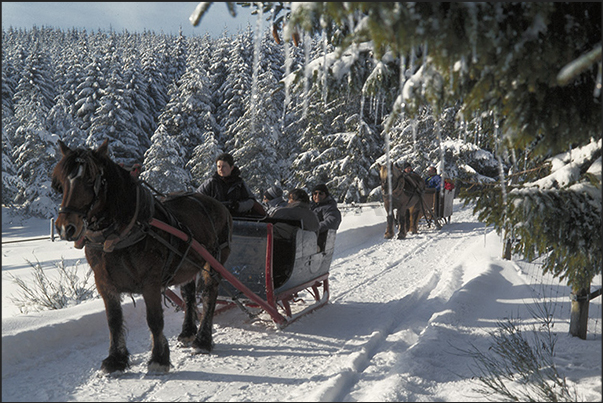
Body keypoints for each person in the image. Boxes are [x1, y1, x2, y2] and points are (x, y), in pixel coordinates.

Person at [197, 152, 258, 216]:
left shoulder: (240, 184)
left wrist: (238, 206)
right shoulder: (211, 182)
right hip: (215, 220)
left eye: (224, 166)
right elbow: (198, 197)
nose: (220, 169)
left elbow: (251, 201)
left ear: (231, 167)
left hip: (237, 220)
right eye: (218, 166)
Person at [310, 184, 342, 251]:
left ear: (326, 195)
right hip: (305, 237)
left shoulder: (329, 207)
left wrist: (315, 228)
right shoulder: (311, 206)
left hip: (318, 241)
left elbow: (332, 220)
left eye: (320, 193)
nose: (317, 196)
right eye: (315, 193)